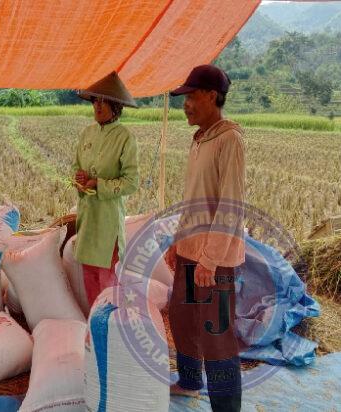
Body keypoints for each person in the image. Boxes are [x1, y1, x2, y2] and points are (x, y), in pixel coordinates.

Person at [166, 64, 245, 412]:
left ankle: (226, 407)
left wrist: (209, 261)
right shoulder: (200, 139)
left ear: (212, 96)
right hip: (189, 251)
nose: (185, 104)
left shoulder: (229, 139)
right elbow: (195, 201)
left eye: (191, 97)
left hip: (216, 260)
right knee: (183, 319)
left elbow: (230, 206)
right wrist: (178, 241)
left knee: (217, 335)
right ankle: (189, 381)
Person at [73, 71, 140, 307]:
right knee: (90, 277)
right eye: (95, 100)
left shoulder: (125, 137)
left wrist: (99, 184)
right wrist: (80, 179)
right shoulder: (87, 133)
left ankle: (110, 325)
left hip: (108, 220)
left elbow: (131, 181)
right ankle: (96, 322)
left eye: (103, 101)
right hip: (88, 217)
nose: (98, 106)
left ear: (116, 106)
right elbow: (77, 167)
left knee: (106, 279)